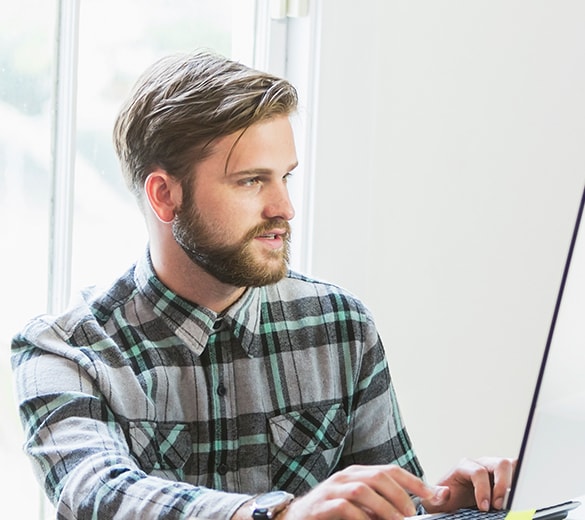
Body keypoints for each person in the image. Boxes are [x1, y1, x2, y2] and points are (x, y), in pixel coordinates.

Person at [11, 50, 515, 520]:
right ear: (165, 196)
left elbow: (393, 507)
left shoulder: (342, 325)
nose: (284, 209)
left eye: (285, 178)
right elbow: (97, 494)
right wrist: (280, 514)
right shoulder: (64, 349)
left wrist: (445, 508)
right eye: (251, 181)